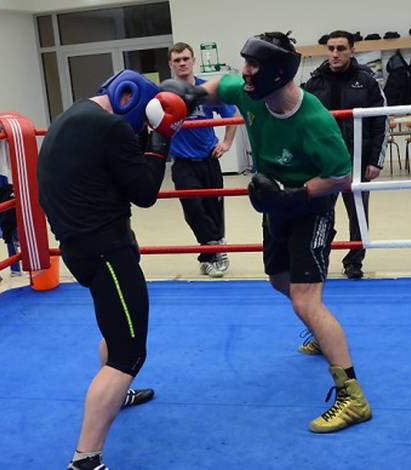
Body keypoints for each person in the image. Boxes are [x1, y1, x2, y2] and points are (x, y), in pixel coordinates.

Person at [161, 31, 372, 433]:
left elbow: (341, 176)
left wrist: (297, 193)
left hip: (310, 209)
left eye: (253, 65)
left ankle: (353, 397)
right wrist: (180, 99)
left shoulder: (313, 120)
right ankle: (318, 333)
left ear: (276, 72)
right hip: (273, 204)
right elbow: (210, 88)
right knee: (279, 281)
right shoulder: (246, 92)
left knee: (305, 300)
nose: (245, 72)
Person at [37, 69, 187, 470]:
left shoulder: (69, 119)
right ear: (129, 97)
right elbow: (145, 193)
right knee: (129, 352)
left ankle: (117, 396)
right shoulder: (111, 128)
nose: (137, 127)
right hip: (107, 251)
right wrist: (161, 139)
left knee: (113, 325)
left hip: (77, 248)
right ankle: (85, 460)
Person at [303, 30, 388, 283]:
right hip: (323, 163)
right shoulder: (314, 83)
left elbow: (381, 120)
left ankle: (354, 261)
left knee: (357, 214)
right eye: (331, 48)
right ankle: (321, 256)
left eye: (341, 48)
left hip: (357, 161)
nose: (335, 53)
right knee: (320, 213)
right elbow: (303, 123)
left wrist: (375, 160)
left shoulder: (367, 81)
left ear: (352, 50)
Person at [167, 42, 240, 278]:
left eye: (185, 59)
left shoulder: (206, 90)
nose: (182, 63)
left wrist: (227, 142)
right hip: (182, 162)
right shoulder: (165, 94)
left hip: (208, 158)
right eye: (177, 60)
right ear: (171, 64)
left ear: (193, 60)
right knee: (193, 208)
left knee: (213, 208)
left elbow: (233, 114)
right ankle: (214, 248)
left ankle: (214, 251)